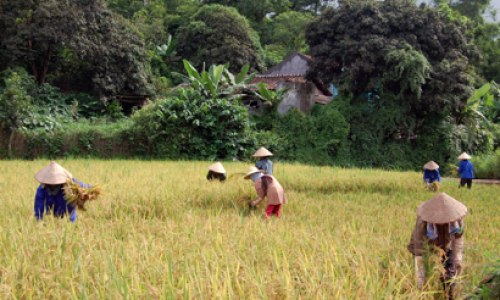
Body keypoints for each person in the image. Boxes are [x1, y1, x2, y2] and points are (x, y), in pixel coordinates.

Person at [407, 193, 467, 300]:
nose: (442, 222)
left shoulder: (457, 221)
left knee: (450, 279)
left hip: (447, 249)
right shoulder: (422, 225)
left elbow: (458, 240)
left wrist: (457, 260)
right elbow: (420, 256)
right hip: (428, 250)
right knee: (426, 279)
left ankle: (449, 296)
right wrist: (422, 286)